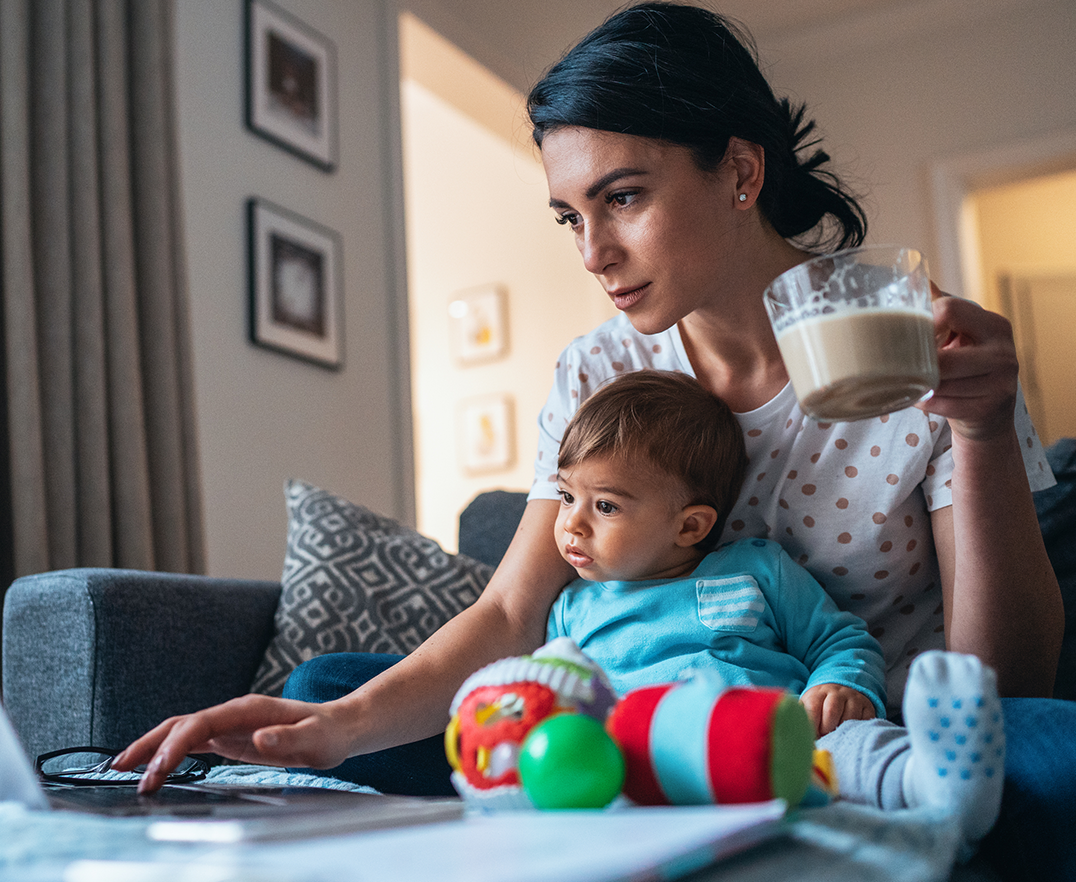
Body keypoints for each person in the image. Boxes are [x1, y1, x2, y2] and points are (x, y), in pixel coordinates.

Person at [115, 4, 1070, 877]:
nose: (592, 252)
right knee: (330, 689)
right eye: (572, 214)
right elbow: (511, 617)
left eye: (623, 198)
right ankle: (611, 788)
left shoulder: (918, 340)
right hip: (635, 721)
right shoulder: (597, 369)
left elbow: (1003, 681)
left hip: (864, 732)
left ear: (741, 171)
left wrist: (981, 426)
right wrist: (331, 728)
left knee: (1050, 754)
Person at [545, 369, 1003, 849]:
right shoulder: (571, 611)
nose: (572, 523)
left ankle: (938, 787)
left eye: (606, 507)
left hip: (785, 747)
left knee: (851, 749)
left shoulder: (755, 569)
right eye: (566, 495)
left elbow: (838, 639)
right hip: (653, 768)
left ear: (690, 527)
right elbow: (558, 695)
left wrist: (840, 683)